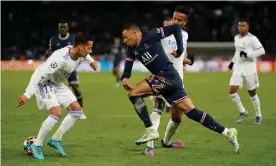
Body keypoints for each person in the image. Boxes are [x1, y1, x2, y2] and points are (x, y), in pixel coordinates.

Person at [121, 23, 239, 154]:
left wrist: (180, 49)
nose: (125, 41)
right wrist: (124, 77)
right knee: (192, 112)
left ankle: (150, 130)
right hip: (170, 81)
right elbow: (127, 67)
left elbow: (175, 28)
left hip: (167, 76)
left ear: (136, 33)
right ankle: (227, 132)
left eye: (126, 37)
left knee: (133, 93)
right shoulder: (131, 49)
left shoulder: (151, 35)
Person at [17, 32, 98, 160]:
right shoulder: (60, 58)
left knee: (77, 111)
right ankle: (37, 145)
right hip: (45, 83)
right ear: (80, 47)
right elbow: (39, 74)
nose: (90, 51)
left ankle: (55, 140)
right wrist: (27, 94)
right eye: (89, 48)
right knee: (56, 113)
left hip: (58, 84)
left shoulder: (80, 54)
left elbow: (87, 57)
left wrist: (92, 62)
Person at [145, 6, 194, 156]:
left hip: (177, 80)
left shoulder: (184, 35)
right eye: (174, 18)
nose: (175, 21)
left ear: (185, 22)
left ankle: (166, 141)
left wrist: (188, 61)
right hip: (162, 77)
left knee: (177, 117)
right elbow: (151, 50)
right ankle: (149, 146)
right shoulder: (162, 33)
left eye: (179, 20)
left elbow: (180, 56)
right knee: (157, 108)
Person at [228, 18, 265, 124]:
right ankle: (243, 111)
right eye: (239, 25)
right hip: (238, 69)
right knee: (232, 90)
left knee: (252, 93)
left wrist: (248, 55)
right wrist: (232, 62)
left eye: (243, 25)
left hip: (249, 69)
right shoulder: (236, 38)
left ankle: (258, 115)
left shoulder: (252, 39)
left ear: (248, 27)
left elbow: (262, 50)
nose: (241, 27)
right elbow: (237, 52)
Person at [46, 21, 85, 116]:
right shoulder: (54, 39)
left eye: (64, 27)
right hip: (58, 70)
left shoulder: (73, 39)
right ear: (59, 28)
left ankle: (80, 107)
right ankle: (56, 109)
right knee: (54, 89)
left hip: (70, 68)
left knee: (75, 88)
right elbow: (50, 52)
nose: (63, 29)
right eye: (61, 27)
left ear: (68, 28)